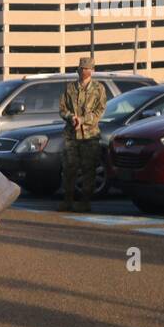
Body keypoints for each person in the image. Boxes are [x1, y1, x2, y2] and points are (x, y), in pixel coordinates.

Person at [58, 56, 105, 212]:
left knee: (88, 169)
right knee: (69, 169)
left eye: (86, 69)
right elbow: (62, 109)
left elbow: (100, 111)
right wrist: (71, 117)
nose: (83, 71)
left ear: (92, 70)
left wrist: (83, 119)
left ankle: (85, 202)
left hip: (89, 136)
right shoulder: (70, 87)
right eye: (81, 68)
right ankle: (68, 200)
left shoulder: (99, 88)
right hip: (71, 135)